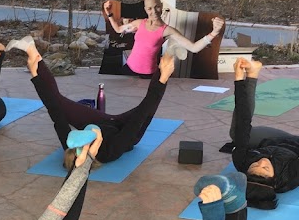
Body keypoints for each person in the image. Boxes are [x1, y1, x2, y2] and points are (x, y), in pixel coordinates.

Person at [10, 34, 176, 166]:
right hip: (127, 130)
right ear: (92, 149)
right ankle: (169, 56)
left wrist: (35, 73)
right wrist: (163, 77)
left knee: (59, 103)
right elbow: (140, 116)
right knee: (146, 107)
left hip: (102, 123)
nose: (81, 132)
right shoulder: (111, 150)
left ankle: (31, 49)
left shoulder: (72, 145)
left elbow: (55, 112)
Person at [225, 59, 299, 210]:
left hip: (276, 142)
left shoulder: (241, 162)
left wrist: (239, 80)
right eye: (266, 168)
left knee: (237, 134)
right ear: (274, 179)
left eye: (255, 165)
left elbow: (243, 121)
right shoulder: (293, 175)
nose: (261, 161)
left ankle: (252, 72)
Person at [101, 0, 224, 77]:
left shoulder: (167, 30)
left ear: (161, 7)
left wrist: (214, 33)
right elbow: (118, 29)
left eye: (157, 7)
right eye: (149, 8)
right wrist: (109, 14)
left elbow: (194, 47)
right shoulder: (139, 24)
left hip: (149, 76)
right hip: (128, 69)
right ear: (145, 9)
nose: (153, 11)